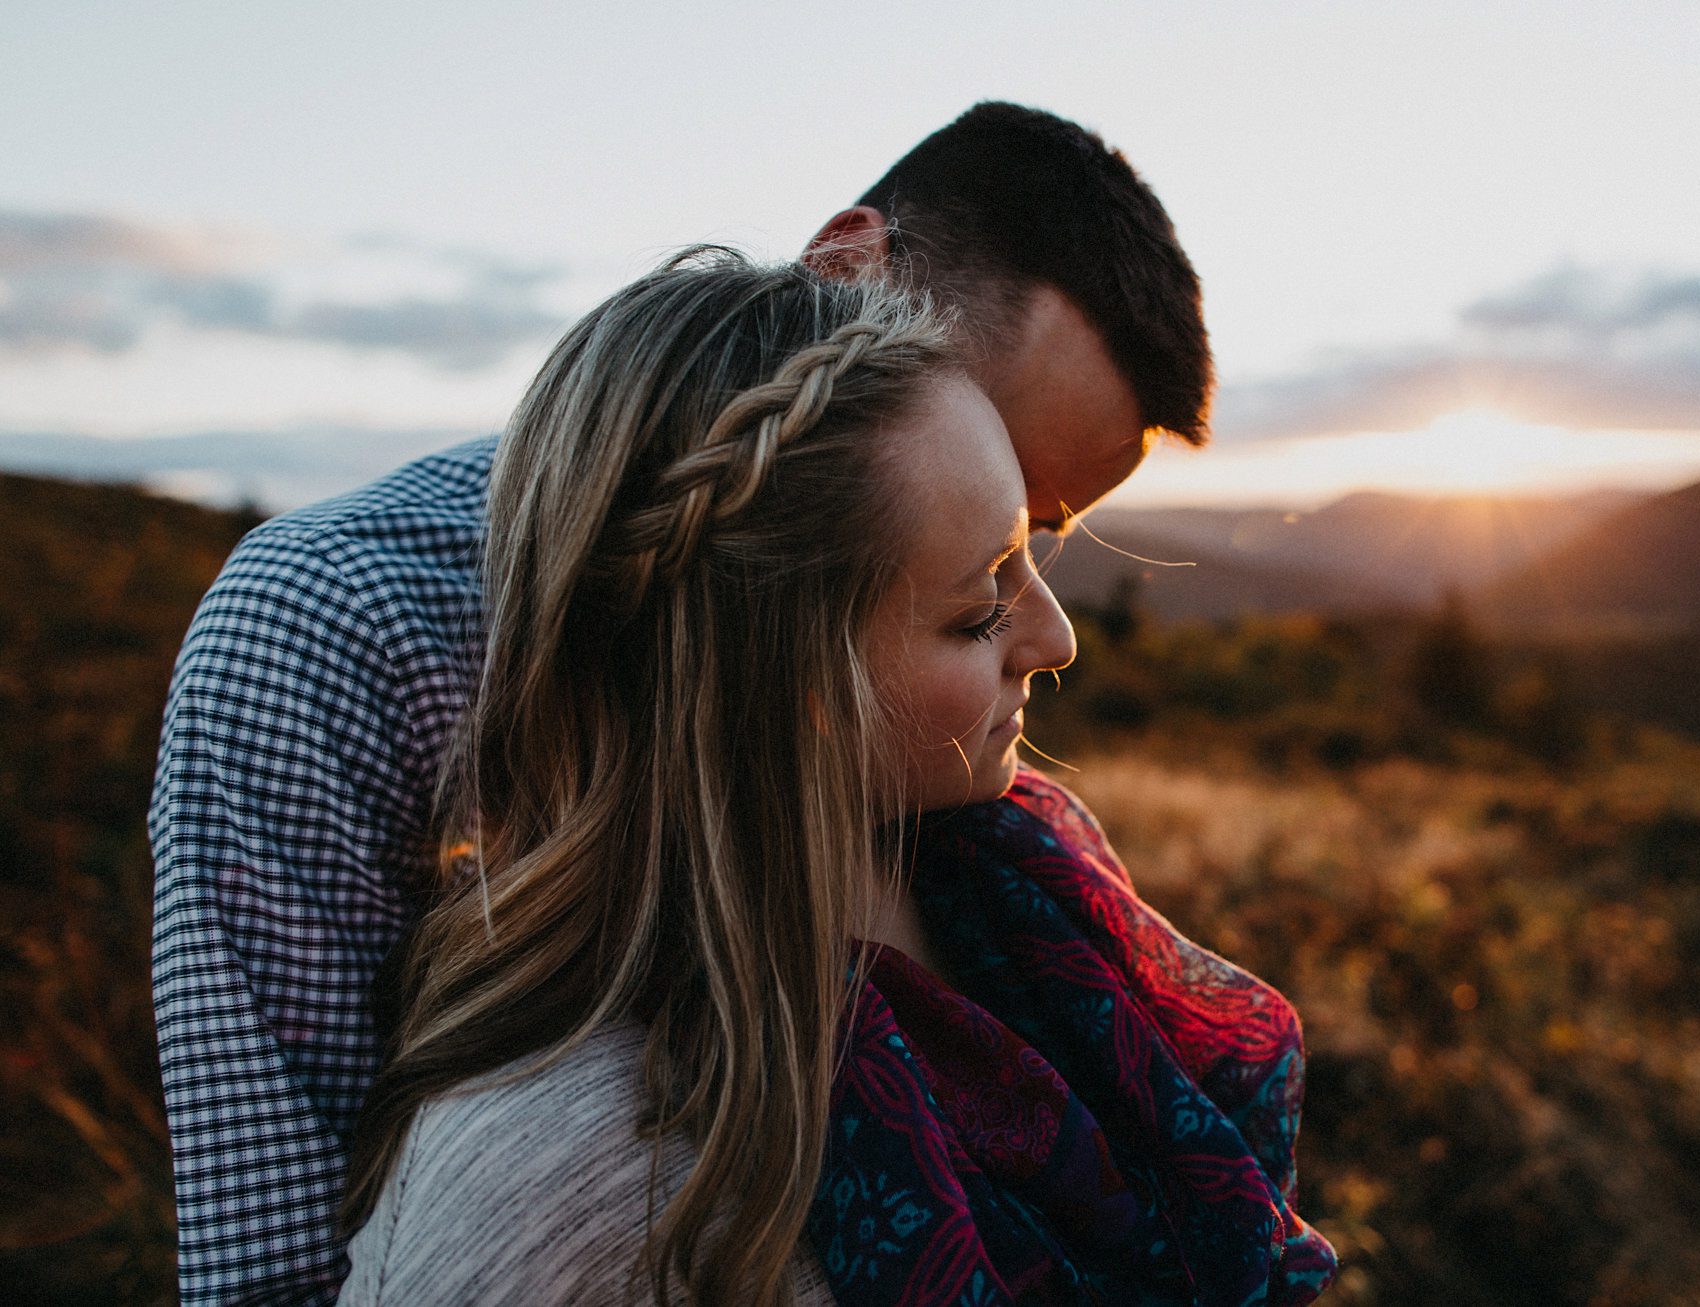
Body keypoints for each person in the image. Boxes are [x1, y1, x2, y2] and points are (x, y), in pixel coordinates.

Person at [151, 103, 1215, 1304]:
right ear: (842, 275)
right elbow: (269, 1239)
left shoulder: (977, 770)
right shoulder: (339, 620)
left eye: (1036, 529)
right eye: (982, 486)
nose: (1034, 617)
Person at [333, 248, 1335, 1305]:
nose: (1054, 637)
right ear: (776, 680)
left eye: (1029, 553)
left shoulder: (1028, 861)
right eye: (977, 608)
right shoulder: (561, 1176)